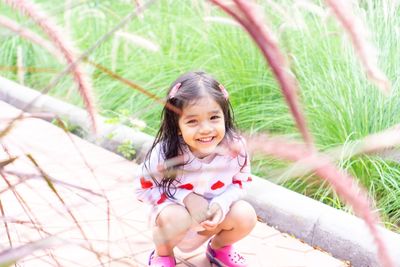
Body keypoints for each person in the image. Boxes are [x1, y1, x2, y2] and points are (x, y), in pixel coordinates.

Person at [134, 71, 257, 267]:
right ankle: (162, 255)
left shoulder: (235, 149)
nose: (206, 129)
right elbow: (142, 188)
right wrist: (187, 198)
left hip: (214, 217)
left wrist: (221, 204)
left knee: (246, 215)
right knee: (177, 218)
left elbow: (241, 183)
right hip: (175, 218)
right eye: (192, 121)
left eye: (214, 117)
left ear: (224, 117)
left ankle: (218, 248)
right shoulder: (165, 153)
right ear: (177, 126)